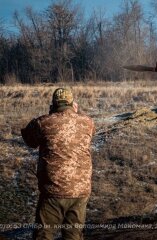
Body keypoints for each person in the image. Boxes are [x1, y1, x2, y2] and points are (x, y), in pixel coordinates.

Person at [21, 88, 95, 240]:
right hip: (80, 191)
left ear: (53, 104)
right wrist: (75, 113)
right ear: (72, 103)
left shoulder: (43, 123)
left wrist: (50, 115)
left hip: (53, 191)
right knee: (73, 235)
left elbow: (29, 140)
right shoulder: (88, 122)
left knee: (44, 235)